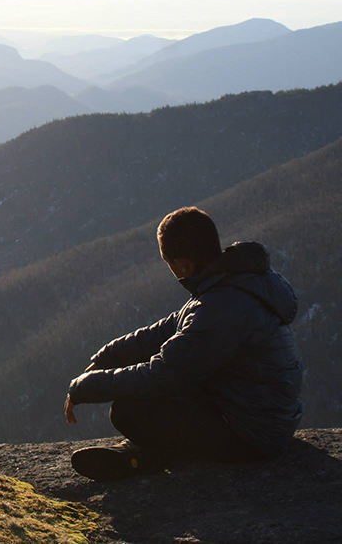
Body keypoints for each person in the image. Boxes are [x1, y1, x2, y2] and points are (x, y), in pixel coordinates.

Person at [63, 206, 303, 481]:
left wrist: (84, 387)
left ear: (184, 265)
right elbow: (163, 331)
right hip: (259, 415)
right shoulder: (236, 282)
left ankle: (150, 454)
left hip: (253, 434)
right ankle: (148, 452)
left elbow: (166, 374)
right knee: (162, 394)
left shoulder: (221, 305)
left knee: (131, 411)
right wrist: (105, 360)